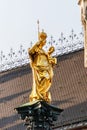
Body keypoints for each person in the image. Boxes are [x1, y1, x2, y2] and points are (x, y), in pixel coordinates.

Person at [28, 31, 57, 103]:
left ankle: (43, 94)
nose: (43, 42)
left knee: (49, 77)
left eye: (44, 41)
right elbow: (30, 52)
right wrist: (36, 44)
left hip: (46, 67)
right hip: (39, 68)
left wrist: (52, 61)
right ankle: (39, 94)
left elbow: (48, 59)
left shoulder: (44, 51)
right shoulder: (36, 49)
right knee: (44, 78)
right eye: (42, 40)